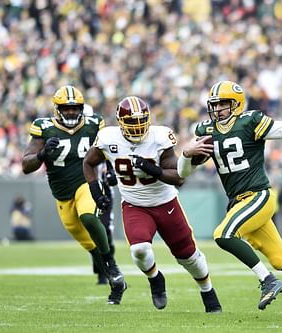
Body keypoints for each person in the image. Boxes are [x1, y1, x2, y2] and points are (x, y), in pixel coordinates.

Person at [177, 80, 282, 320]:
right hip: (238, 201)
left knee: (223, 234)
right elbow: (183, 173)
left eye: (222, 104)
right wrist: (185, 153)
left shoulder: (250, 121)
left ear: (236, 104)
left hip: (258, 195)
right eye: (214, 104)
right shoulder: (206, 131)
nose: (217, 109)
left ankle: (267, 281)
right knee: (281, 259)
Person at [83, 95, 222, 313]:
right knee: (139, 250)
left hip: (165, 202)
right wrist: (95, 190)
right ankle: (155, 279)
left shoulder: (159, 136)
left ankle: (208, 292)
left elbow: (178, 177)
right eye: (132, 123)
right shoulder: (108, 137)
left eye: (141, 122)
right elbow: (88, 163)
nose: (138, 128)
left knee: (188, 256)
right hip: (134, 204)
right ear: (120, 123)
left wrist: (153, 170)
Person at [21, 85, 127, 305]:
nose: (71, 112)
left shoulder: (93, 124)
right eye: (66, 108)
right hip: (61, 195)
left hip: (85, 183)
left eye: (75, 108)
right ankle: (115, 280)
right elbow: (26, 165)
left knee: (89, 215)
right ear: (57, 109)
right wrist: (41, 154)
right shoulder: (44, 128)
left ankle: (111, 262)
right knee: (89, 243)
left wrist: (110, 171)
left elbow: (108, 151)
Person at [91, 160, 118, 285]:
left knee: (106, 230)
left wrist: (113, 174)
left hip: (105, 191)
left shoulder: (107, 145)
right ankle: (101, 271)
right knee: (94, 232)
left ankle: (109, 269)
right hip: (88, 190)